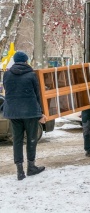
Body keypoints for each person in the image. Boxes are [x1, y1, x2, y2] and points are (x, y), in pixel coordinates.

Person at [3, 51, 45, 180]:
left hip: (13, 112)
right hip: (30, 112)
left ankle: (19, 171)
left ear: (15, 61)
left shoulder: (6, 74)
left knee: (17, 140)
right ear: (26, 61)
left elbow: (7, 90)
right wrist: (41, 113)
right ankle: (31, 167)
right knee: (31, 139)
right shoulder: (31, 75)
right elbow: (37, 95)